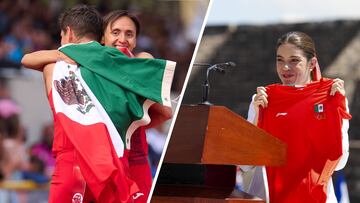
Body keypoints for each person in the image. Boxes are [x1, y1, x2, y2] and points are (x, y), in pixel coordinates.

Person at [21, 4, 175, 203]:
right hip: (98, 158)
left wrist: (130, 126)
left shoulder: (140, 63)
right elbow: (28, 59)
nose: (123, 39)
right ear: (102, 39)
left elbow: (165, 112)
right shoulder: (78, 67)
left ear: (136, 40)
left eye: (130, 34)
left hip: (125, 158)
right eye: (116, 32)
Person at [243, 31, 351, 203]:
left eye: (294, 60)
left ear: (312, 63)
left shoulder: (332, 97)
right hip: (270, 197)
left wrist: (336, 110)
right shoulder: (264, 100)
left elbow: (339, 162)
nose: (285, 67)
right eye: (280, 60)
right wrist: (256, 117)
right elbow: (245, 163)